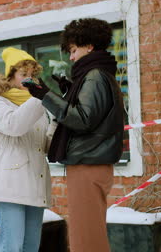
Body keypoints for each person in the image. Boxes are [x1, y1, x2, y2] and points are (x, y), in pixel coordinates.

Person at [23, 18, 124, 252]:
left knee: (85, 238)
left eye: (73, 50)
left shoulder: (95, 75)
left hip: (87, 164)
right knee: (90, 233)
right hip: (91, 162)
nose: (71, 57)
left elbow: (82, 119)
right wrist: (69, 91)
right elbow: (92, 114)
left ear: (88, 45)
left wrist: (45, 95)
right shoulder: (99, 75)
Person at [0, 47, 52, 252]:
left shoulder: (38, 107)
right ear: (11, 76)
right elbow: (15, 126)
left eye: (32, 75)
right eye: (24, 75)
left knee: (31, 247)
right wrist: (39, 99)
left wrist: (57, 115)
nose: (29, 80)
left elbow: (46, 146)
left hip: (36, 185)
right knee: (12, 247)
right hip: (9, 187)